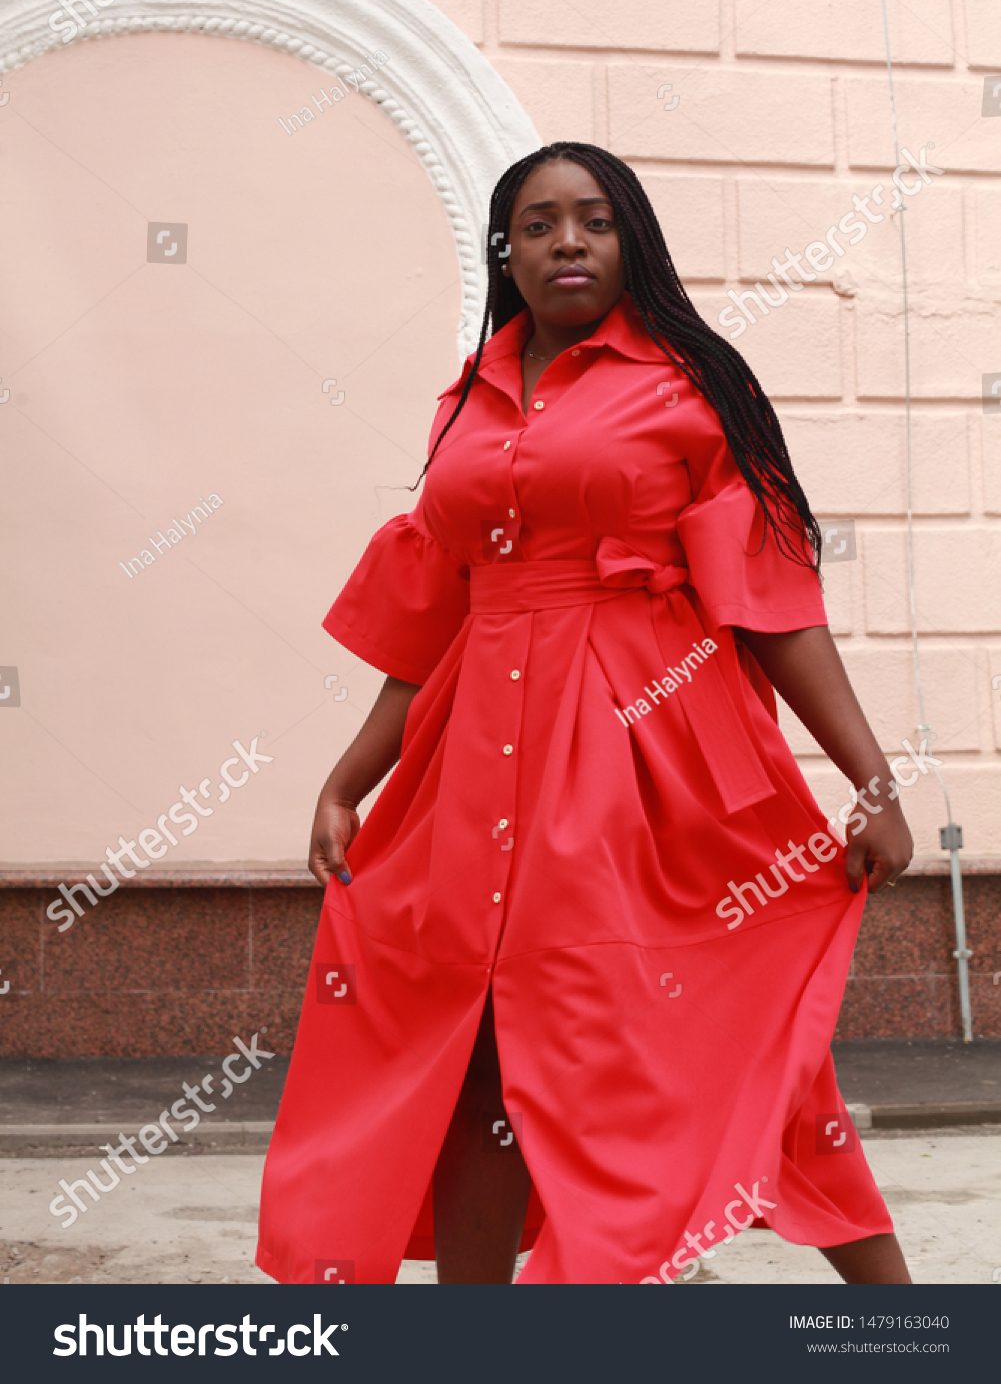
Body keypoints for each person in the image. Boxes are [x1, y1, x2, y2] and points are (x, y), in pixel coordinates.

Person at [256, 142, 914, 1287]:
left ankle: (902, 1328)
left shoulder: (692, 385)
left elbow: (767, 602)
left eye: (595, 220)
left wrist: (868, 777)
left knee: (687, 1034)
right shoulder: (464, 399)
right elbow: (433, 605)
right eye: (540, 222)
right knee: (472, 1047)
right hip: (474, 759)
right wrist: (347, 777)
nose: (567, 240)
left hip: (642, 751)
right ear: (505, 252)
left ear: (631, 242)